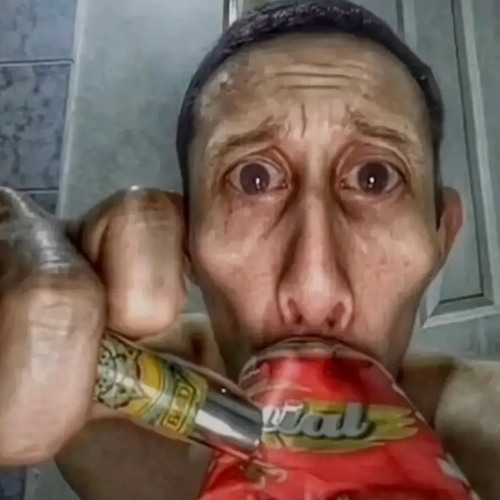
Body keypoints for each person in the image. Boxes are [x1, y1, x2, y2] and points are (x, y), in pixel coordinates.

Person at [0, 1, 498, 499]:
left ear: (443, 235)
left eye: (375, 177)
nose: (314, 288)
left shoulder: (484, 434)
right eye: (254, 178)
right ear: (186, 242)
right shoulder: (105, 401)